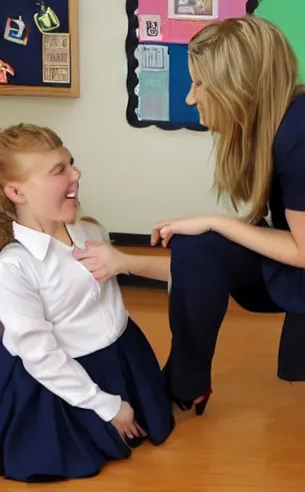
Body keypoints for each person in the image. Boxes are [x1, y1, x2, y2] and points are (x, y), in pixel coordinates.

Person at [74, 15, 305, 415]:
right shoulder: (275, 123)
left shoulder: (304, 136)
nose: (190, 99)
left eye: (199, 85)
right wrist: (126, 261)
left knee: (205, 238)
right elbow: (212, 262)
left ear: (238, 87)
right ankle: (186, 384)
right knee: (197, 248)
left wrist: (216, 222)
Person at [0, 124, 174, 483]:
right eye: (58, 170)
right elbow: (41, 355)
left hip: (121, 356)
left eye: (71, 163)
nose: (76, 174)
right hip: (59, 376)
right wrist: (107, 406)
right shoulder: (14, 267)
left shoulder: (92, 233)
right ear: (16, 191)